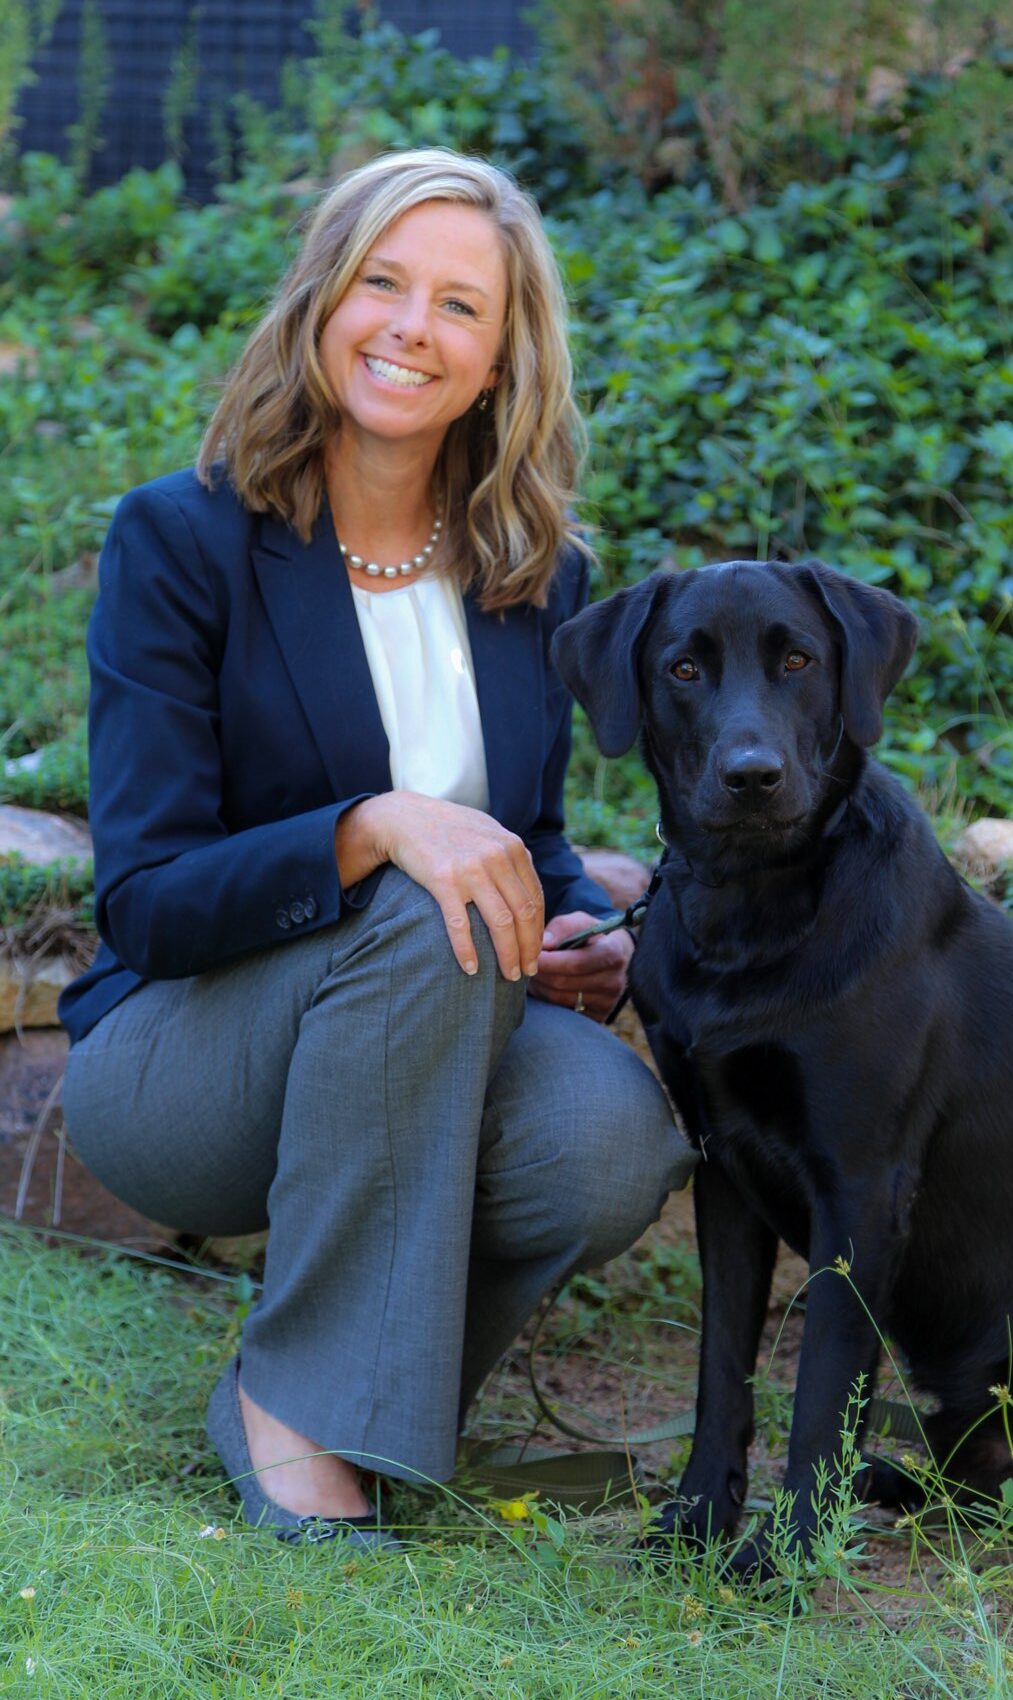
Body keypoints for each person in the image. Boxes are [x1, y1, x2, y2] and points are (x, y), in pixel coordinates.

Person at [57, 148, 694, 1547]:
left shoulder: (533, 572)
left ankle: (298, 1386)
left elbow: (524, 839)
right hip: (183, 1062)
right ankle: (305, 1430)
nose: (413, 325)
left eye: (459, 306)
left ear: (497, 361)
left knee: (608, 1141)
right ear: (321, 301)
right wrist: (371, 828)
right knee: (416, 901)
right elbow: (150, 898)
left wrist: (572, 927)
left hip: (417, 1043)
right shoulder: (184, 539)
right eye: (382, 282)